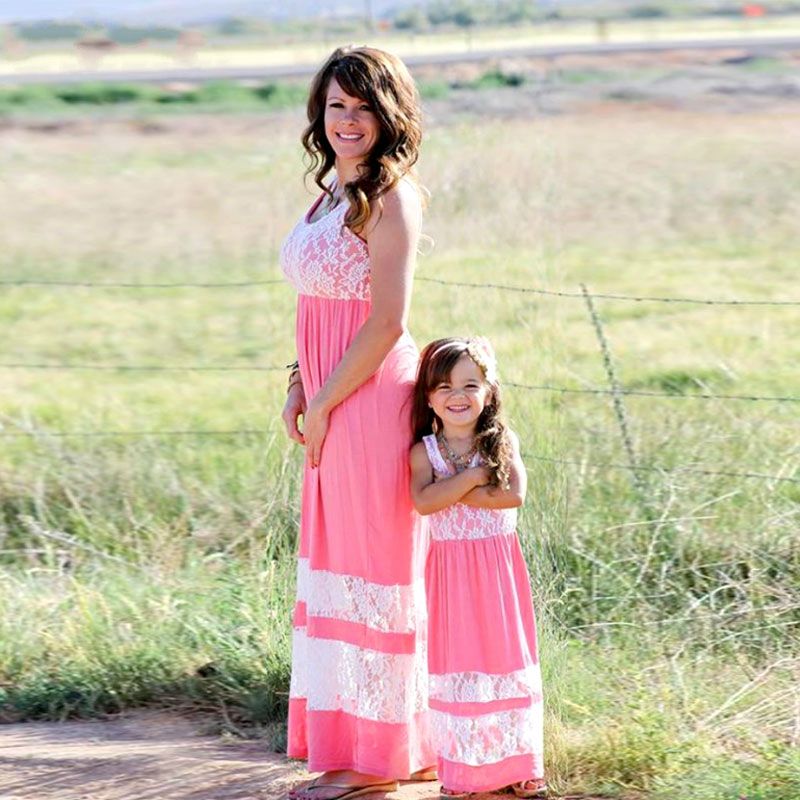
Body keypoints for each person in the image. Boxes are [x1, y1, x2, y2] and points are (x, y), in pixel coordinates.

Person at [279, 46, 436, 799]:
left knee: (374, 568)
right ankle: (370, 745)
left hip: (368, 398)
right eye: (337, 106)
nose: (348, 120)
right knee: (341, 566)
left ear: (389, 114)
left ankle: (374, 764)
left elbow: (384, 323)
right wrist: (296, 384)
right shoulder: (327, 192)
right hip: (329, 396)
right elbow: (315, 304)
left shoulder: (394, 196)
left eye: (363, 107)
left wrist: (326, 400)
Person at [409, 337, 547, 799]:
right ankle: (467, 771)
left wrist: (451, 489)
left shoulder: (502, 441)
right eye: (444, 386)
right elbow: (424, 503)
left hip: (498, 570)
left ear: (490, 391)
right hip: (450, 575)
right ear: (428, 397)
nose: (458, 396)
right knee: (461, 665)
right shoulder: (423, 452)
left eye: (471, 384)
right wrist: (470, 478)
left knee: (506, 659)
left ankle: (519, 764)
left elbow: (512, 495)